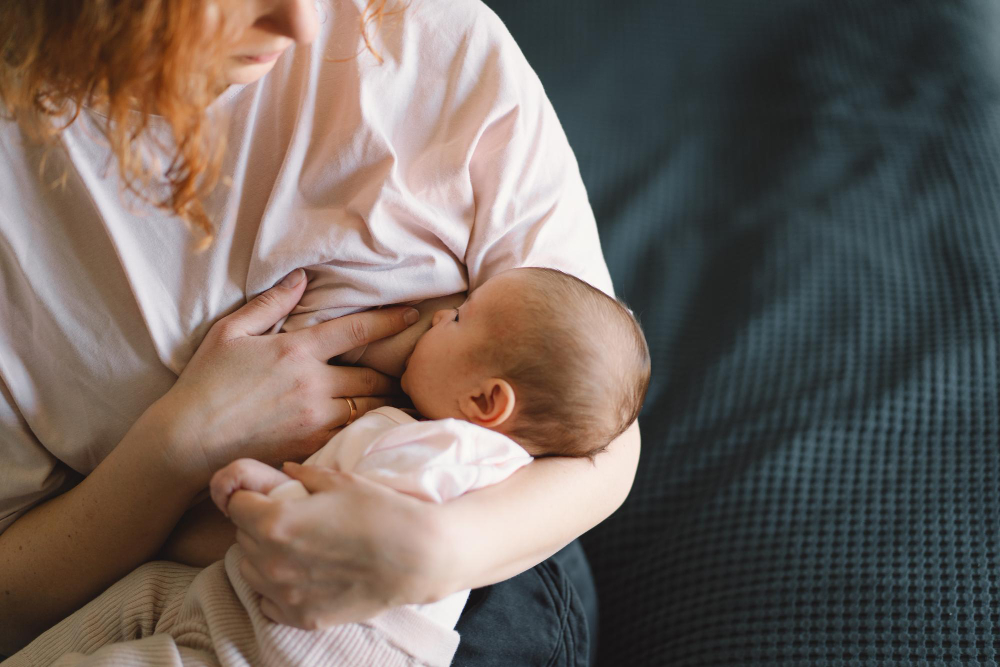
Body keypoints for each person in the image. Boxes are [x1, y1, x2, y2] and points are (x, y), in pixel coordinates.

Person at [0, 0, 642, 662]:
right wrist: (180, 442)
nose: (304, 24)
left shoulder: (430, 39)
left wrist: (429, 552)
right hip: (150, 595)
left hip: (463, 579)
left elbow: (603, 440)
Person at [5, 267, 650, 666]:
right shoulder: (452, 445)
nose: (436, 318)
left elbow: (332, 529)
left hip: (311, 641)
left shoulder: (445, 455)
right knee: (136, 603)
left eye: (456, 318)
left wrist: (249, 486)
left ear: (487, 400)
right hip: (235, 598)